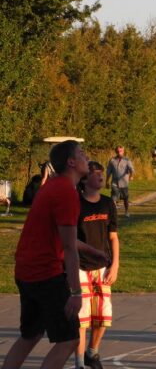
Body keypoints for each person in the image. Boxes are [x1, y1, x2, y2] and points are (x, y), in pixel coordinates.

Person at [3, 140, 96, 369]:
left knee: (30, 335)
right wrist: (75, 292)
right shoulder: (66, 192)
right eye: (82, 154)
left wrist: (93, 251)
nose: (87, 157)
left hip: (26, 271)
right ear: (71, 162)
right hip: (45, 274)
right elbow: (69, 248)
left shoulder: (53, 186)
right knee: (70, 339)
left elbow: (63, 237)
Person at [75, 161, 120, 369]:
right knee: (82, 319)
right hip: (80, 267)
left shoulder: (107, 203)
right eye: (96, 173)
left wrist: (115, 264)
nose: (101, 176)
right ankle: (79, 363)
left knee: (103, 317)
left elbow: (113, 238)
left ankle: (92, 352)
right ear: (84, 179)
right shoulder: (76, 204)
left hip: (102, 267)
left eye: (102, 173)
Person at [106, 146, 134, 217]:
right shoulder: (112, 160)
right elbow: (108, 172)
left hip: (124, 183)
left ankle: (126, 211)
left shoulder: (127, 160)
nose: (119, 152)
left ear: (123, 151)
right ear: (116, 151)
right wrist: (107, 182)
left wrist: (131, 176)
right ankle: (114, 213)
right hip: (114, 183)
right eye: (118, 151)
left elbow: (132, 170)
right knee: (113, 198)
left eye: (121, 151)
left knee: (125, 198)